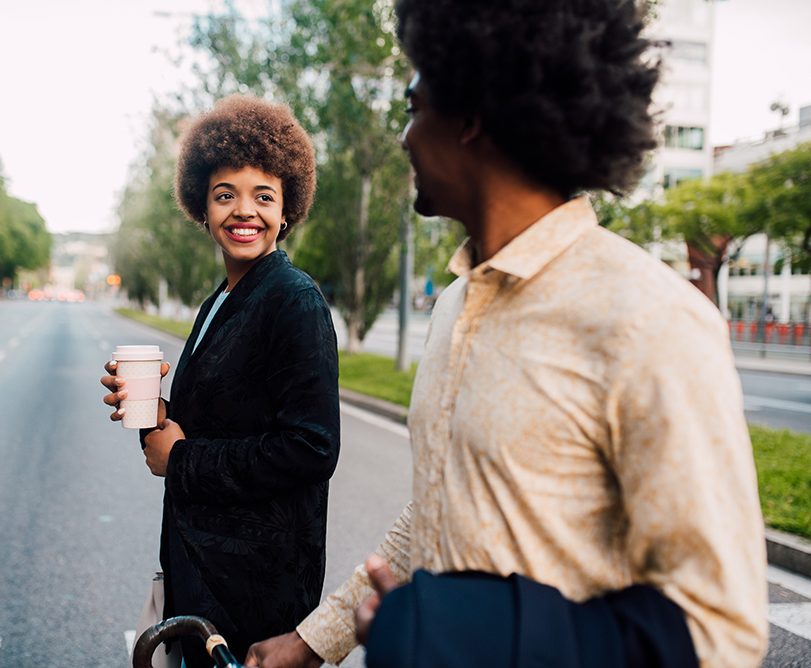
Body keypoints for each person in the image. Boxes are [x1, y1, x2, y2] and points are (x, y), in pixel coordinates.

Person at [245, 1, 767, 667]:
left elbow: (721, 630)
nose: (403, 136)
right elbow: (435, 516)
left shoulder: (647, 319)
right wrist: (317, 640)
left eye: (413, 106)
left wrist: (469, 635)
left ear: (470, 114)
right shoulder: (456, 304)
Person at [101, 95, 340, 667]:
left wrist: (179, 459)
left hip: (258, 594)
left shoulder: (293, 299)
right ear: (202, 208)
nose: (244, 211)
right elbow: (216, 422)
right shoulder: (221, 301)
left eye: (264, 196)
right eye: (225, 195)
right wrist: (155, 415)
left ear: (287, 211)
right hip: (205, 578)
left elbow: (311, 448)